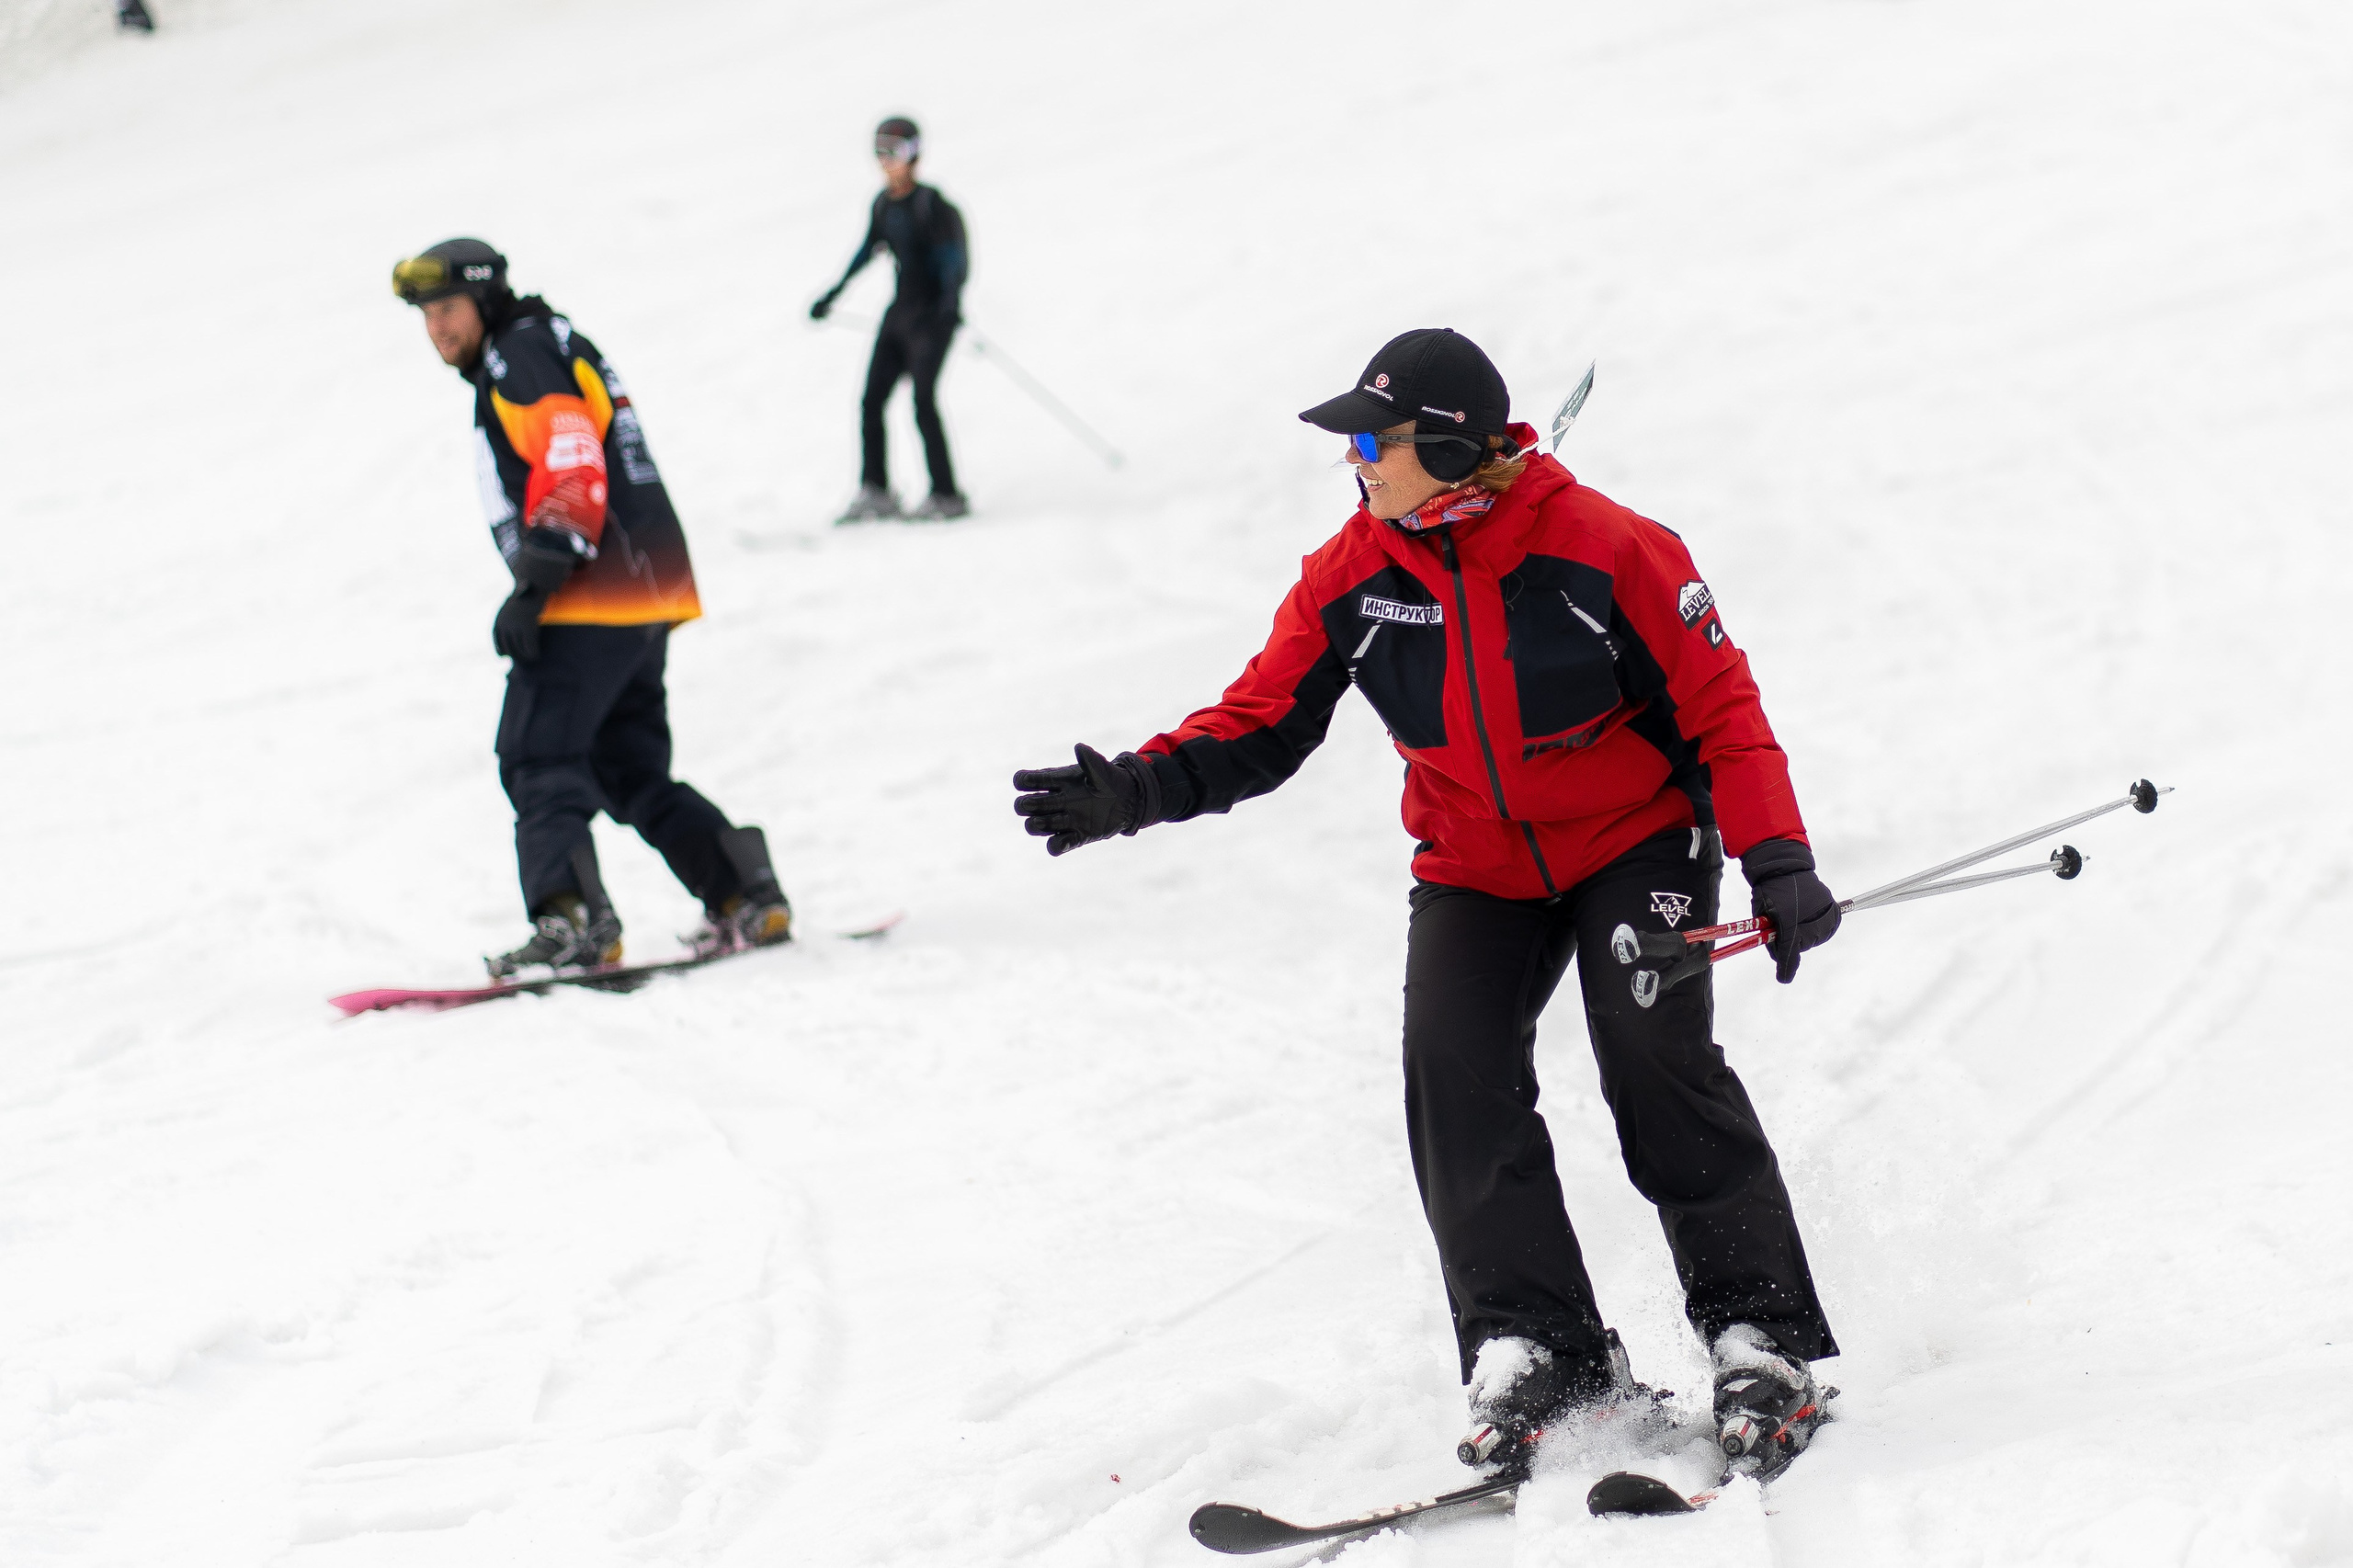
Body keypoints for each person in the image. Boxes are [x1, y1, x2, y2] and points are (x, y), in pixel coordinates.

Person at [1011, 329, 1844, 1480]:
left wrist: (1776, 854)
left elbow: (1722, 710)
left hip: (1630, 834)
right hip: (1476, 862)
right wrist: (1139, 787)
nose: (1353, 460)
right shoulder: (1352, 572)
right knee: (1450, 1071)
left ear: (1450, 445)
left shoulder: (1610, 550)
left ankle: (1762, 1338)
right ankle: (1541, 1347)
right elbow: (1261, 720)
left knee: (1654, 1056)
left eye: (1372, 439)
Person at [392, 238, 792, 978]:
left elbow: (573, 458)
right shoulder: (547, 342)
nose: (437, 329)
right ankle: (743, 893)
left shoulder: (521, 354)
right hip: (646, 587)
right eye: (425, 315)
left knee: (539, 754)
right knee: (627, 767)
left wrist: (537, 582)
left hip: (591, 592)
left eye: (446, 308)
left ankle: (572, 920)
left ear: (483, 301)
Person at [810, 116, 970, 523]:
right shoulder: (884, 205)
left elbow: (954, 259)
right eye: (879, 150)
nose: (885, 160)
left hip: (932, 318)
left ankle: (947, 495)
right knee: (870, 402)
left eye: (893, 150)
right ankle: (876, 490)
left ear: (914, 155)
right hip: (899, 315)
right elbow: (866, 252)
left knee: (922, 403)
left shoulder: (932, 206)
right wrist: (833, 295)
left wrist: (950, 303)